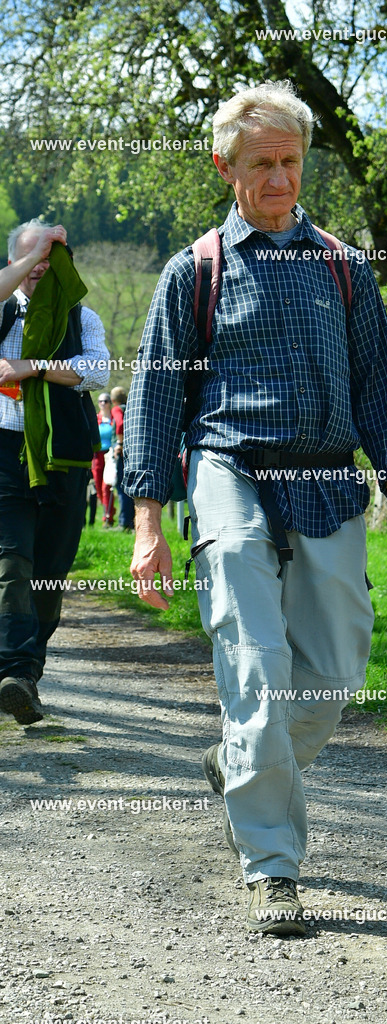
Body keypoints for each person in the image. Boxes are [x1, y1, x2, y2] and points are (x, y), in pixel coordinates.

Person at [124, 80, 387, 936]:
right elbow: (153, 403)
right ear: (226, 168)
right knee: (255, 669)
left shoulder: (342, 266)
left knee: (331, 676)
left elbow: (380, 384)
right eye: (260, 164)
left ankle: (238, 760)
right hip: (231, 471)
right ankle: (273, 868)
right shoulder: (195, 272)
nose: (279, 179)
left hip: (329, 478)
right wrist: (148, 527)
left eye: (290, 161)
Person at [0, 220, 109, 724]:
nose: (40, 265)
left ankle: (27, 674)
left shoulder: (80, 316)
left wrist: (34, 366)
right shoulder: (3, 310)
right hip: (4, 452)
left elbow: (98, 372)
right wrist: (29, 258)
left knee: (48, 573)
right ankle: (14, 670)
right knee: (12, 561)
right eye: (29, 256)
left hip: (62, 457)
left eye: (50, 256)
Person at [110, 385, 134, 531]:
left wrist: (119, 443)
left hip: (123, 449)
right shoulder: (129, 407)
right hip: (132, 450)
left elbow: (120, 425)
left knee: (121, 486)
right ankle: (131, 521)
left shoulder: (117, 409)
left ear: (113, 400)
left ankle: (124, 521)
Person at [91, 391, 117, 526]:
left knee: (106, 486)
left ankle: (108, 517)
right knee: (99, 487)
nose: (103, 403)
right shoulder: (96, 419)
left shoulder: (114, 419)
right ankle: (109, 510)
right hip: (97, 456)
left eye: (105, 401)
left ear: (110, 403)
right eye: (100, 401)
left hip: (110, 455)